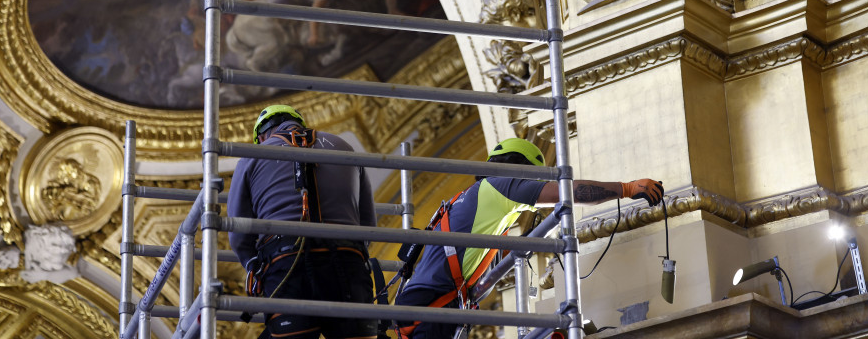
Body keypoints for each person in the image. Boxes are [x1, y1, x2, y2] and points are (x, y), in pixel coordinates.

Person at [393, 138, 664, 339]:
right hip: (431, 308)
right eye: (533, 178)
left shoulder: (475, 201)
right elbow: (567, 192)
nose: (533, 186)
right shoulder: (500, 186)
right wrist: (627, 188)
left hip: (427, 305)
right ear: (520, 168)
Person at [227, 104, 379, 339]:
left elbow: (238, 234)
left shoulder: (252, 158)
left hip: (286, 265)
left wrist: (253, 267)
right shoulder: (344, 147)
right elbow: (368, 224)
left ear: (262, 135)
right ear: (299, 122)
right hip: (348, 262)